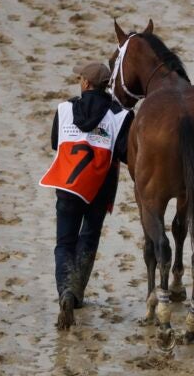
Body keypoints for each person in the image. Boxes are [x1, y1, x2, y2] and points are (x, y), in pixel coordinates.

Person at [39, 62, 134, 330]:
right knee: (88, 238)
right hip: (99, 188)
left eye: (80, 77)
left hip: (68, 188)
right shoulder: (120, 115)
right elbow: (125, 153)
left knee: (64, 243)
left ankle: (66, 293)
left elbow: (55, 143)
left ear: (85, 84)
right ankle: (77, 293)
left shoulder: (65, 109)